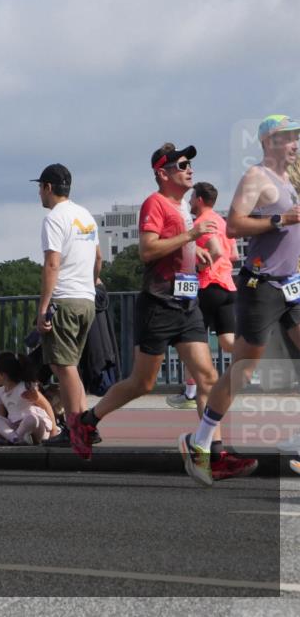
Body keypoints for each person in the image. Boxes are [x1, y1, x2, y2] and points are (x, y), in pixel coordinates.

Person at [73, 144, 255, 478]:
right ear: (162, 173)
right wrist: (190, 235)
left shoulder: (183, 205)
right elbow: (146, 250)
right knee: (142, 383)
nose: (190, 169)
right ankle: (86, 421)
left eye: (190, 165)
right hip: (158, 305)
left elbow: (175, 246)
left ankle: (211, 452)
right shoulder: (154, 203)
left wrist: (192, 253)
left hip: (187, 304)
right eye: (182, 165)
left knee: (208, 377)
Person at [180, 116, 300, 485]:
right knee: (244, 370)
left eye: (296, 137)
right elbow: (233, 225)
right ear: (268, 142)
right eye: (287, 138)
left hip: (292, 284)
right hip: (259, 286)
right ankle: (200, 442)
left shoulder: (292, 179)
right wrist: (279, 219)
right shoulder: (256, 177)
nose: (294, 143)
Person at [28, 164, 101, 450]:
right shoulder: (85, 216)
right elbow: (98, 258)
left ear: (47, 187)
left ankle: (74, 430)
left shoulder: (54, 219)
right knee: (71, 368)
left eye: (39, 187)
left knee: (63, 367)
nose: (39, 194)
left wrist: (43, 306)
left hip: (64, 300)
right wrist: (91, 283)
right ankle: (86, 426)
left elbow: (51, 264)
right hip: (86, 300)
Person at [168, 183, 237, 410]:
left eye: (191, 197)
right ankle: (253, 361)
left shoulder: (201, 223)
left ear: (198, 199)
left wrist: (198, 266)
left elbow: (215, 251)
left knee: (192, 341)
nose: (188, 202)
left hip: (207, 285)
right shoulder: (222, 222)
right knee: (228, 342)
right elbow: (234, 254)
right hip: (227, 286)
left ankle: (190, 392)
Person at [0, 351, 56, 445]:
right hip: (17, 427)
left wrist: (54, 431)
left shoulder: (26, 387)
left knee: (31, 419)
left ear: (2, 374)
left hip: (37, 428)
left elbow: (47, 406)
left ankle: (14, 439)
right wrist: (4, 431)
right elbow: (1, 416)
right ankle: (16, 438)